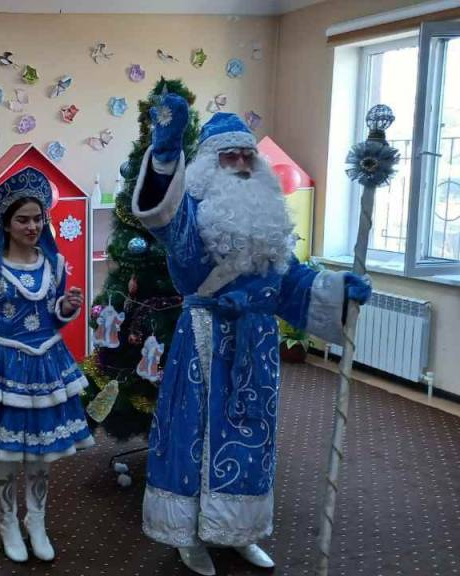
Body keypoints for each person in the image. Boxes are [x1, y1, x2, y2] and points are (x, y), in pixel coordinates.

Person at [132, 94, 372, 575]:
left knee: (251, 436)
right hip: (204, 341)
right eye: (230, 156)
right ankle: (188, 537)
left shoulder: (269, 220)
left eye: (248, 155)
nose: (242, 164)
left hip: (256, 347)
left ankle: (240, 531)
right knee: (193, 436)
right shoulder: (190, 213)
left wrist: (337, 289)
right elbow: (160, 215)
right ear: (208, 165)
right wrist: (163, 156)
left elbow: (292, 281)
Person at [0, 167, 95, 563]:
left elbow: (51, 317)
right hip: (3, 370)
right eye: (23, 219)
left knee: (39, 454)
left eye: (37, 218)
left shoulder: (54, 264)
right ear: (6, 222)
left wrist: (65, 308)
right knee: (6, 453)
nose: (32, 226)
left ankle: (37, 521)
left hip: (46, 368)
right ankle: (8, 522)